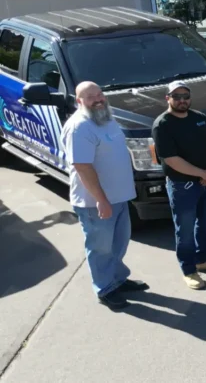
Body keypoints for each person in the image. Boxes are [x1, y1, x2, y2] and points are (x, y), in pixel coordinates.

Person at [61, 82, 147, 309]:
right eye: (90, 97)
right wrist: (101, 200)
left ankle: (117, 279)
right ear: (79, 101)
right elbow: (82, 167)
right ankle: (105, 288)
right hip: (95, 203)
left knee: (118, 243)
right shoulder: (80, 127)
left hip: (119, 197)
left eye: (99, 94)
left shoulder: (105, 118)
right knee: (100, 248)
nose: (98, 99)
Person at [152, 81, 206, 290]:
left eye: (185, 96)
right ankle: (188, 270)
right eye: (176, 97)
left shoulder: (200, 118)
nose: (182, 100)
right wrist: (203, 173)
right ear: (167, 98)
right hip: (182, 186)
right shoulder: (162, 125)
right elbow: (171, 159)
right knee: (184, 230)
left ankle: (202, 259)